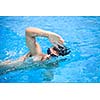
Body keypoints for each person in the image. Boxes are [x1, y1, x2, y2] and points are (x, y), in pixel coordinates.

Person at [0, 27, 71, 65]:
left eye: (53, 56)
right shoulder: (37, 53)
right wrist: (48, 35)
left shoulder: (50, 66)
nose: (48, 56)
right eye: (48, 52)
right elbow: (28, 32)